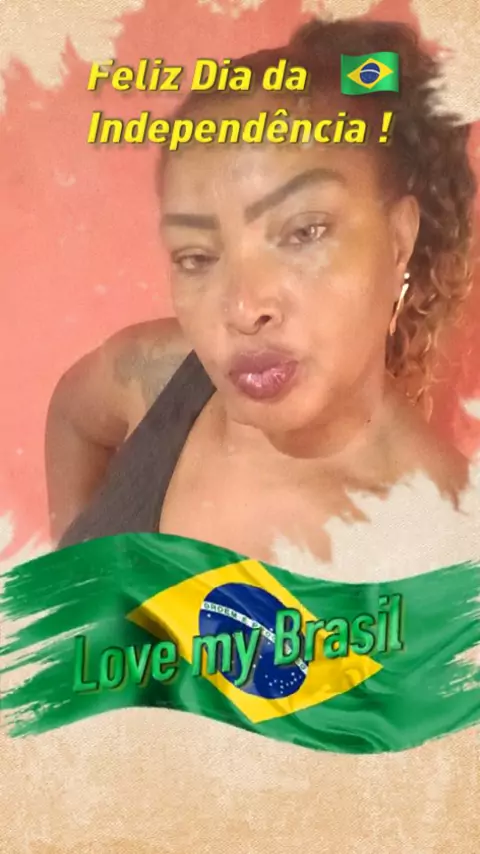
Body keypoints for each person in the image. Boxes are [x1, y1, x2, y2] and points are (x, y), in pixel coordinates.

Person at [44, 19, 479, 850]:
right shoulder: (162, 374)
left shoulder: (442, 572)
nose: (242, 307)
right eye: (200, 255)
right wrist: (77, 562)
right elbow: (74, 412)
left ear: (398, 240)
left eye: (303, 232)